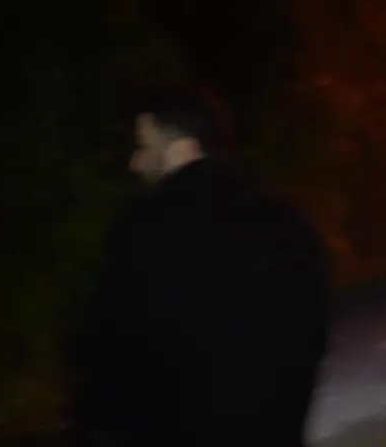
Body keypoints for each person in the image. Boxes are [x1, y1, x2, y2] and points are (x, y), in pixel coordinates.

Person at [69, 86, 332, 446]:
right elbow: (313, 332)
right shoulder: (289, 223)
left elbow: (113, 344)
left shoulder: (146, 230)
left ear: (182, 149)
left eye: (143, 146)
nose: (134, 162)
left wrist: (96, 420)